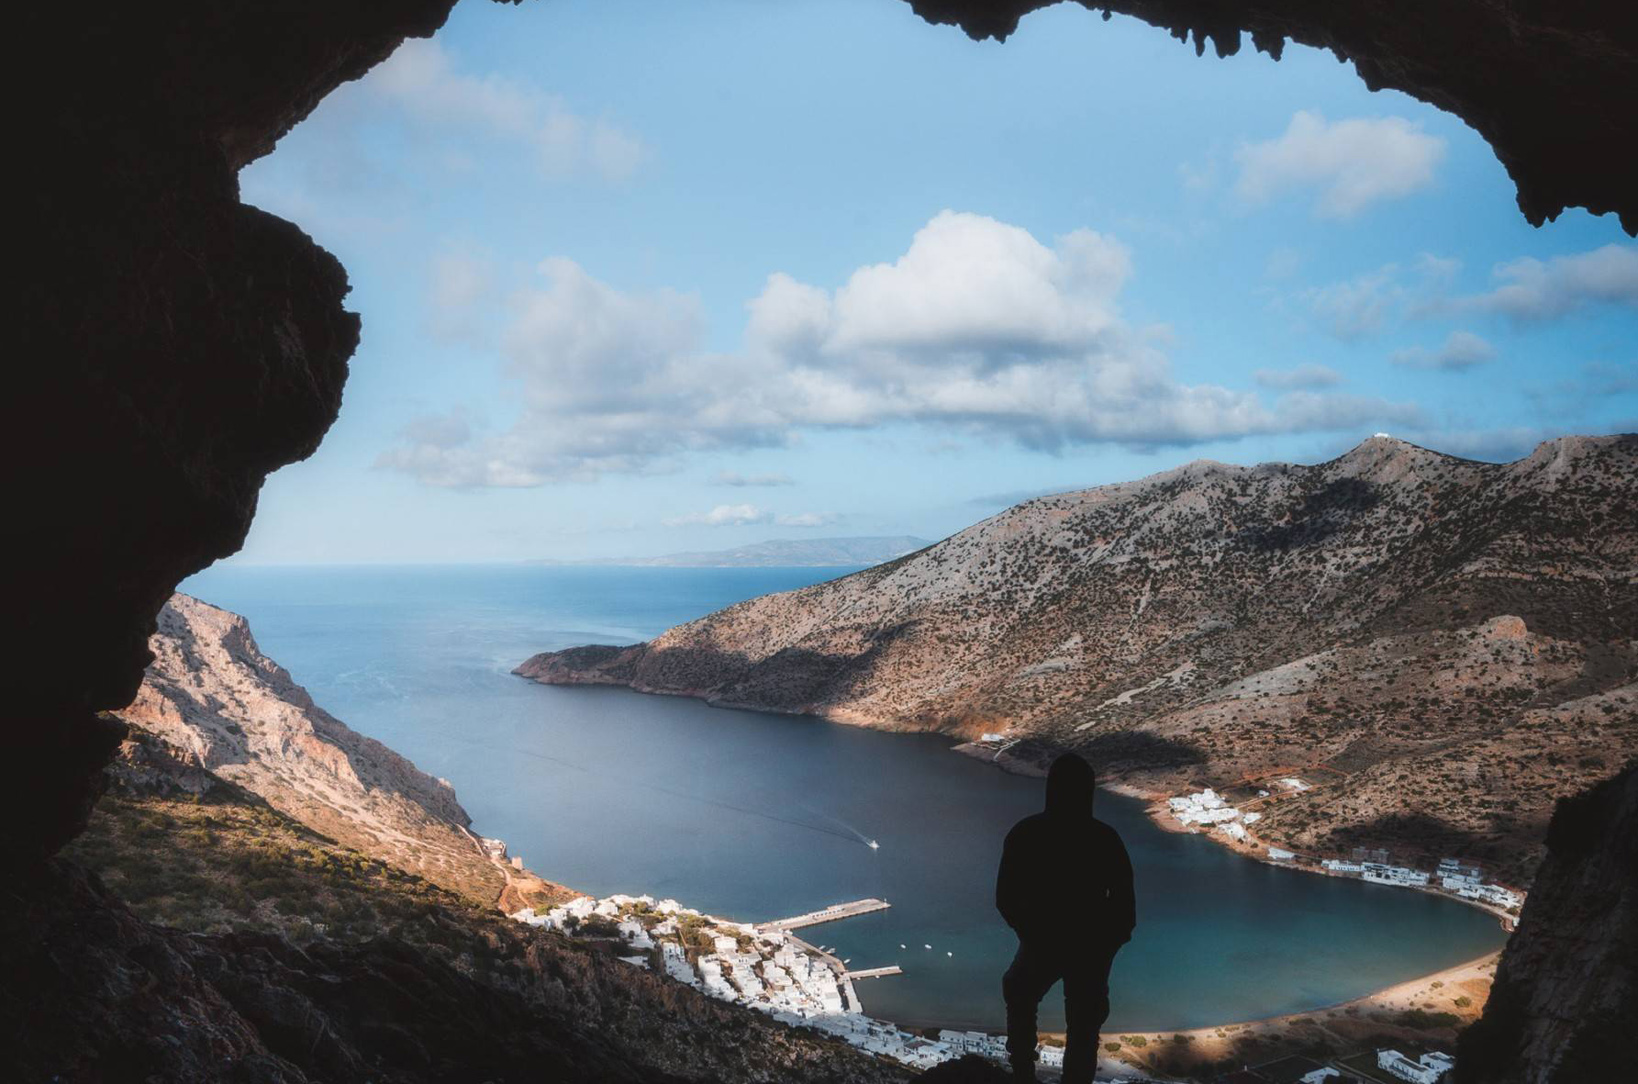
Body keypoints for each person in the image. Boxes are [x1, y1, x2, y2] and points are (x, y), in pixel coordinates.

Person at [995, 752, 1135, 1083]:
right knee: (1084, 1024)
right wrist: (1106, 947)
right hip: (1087, 946)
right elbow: (1125, 912)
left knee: (1018, 991)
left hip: (1049, 941)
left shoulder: (1025, 833)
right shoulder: (1106, 839)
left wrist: (1030, 933)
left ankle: (1023, 1072)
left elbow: (1005, 899)